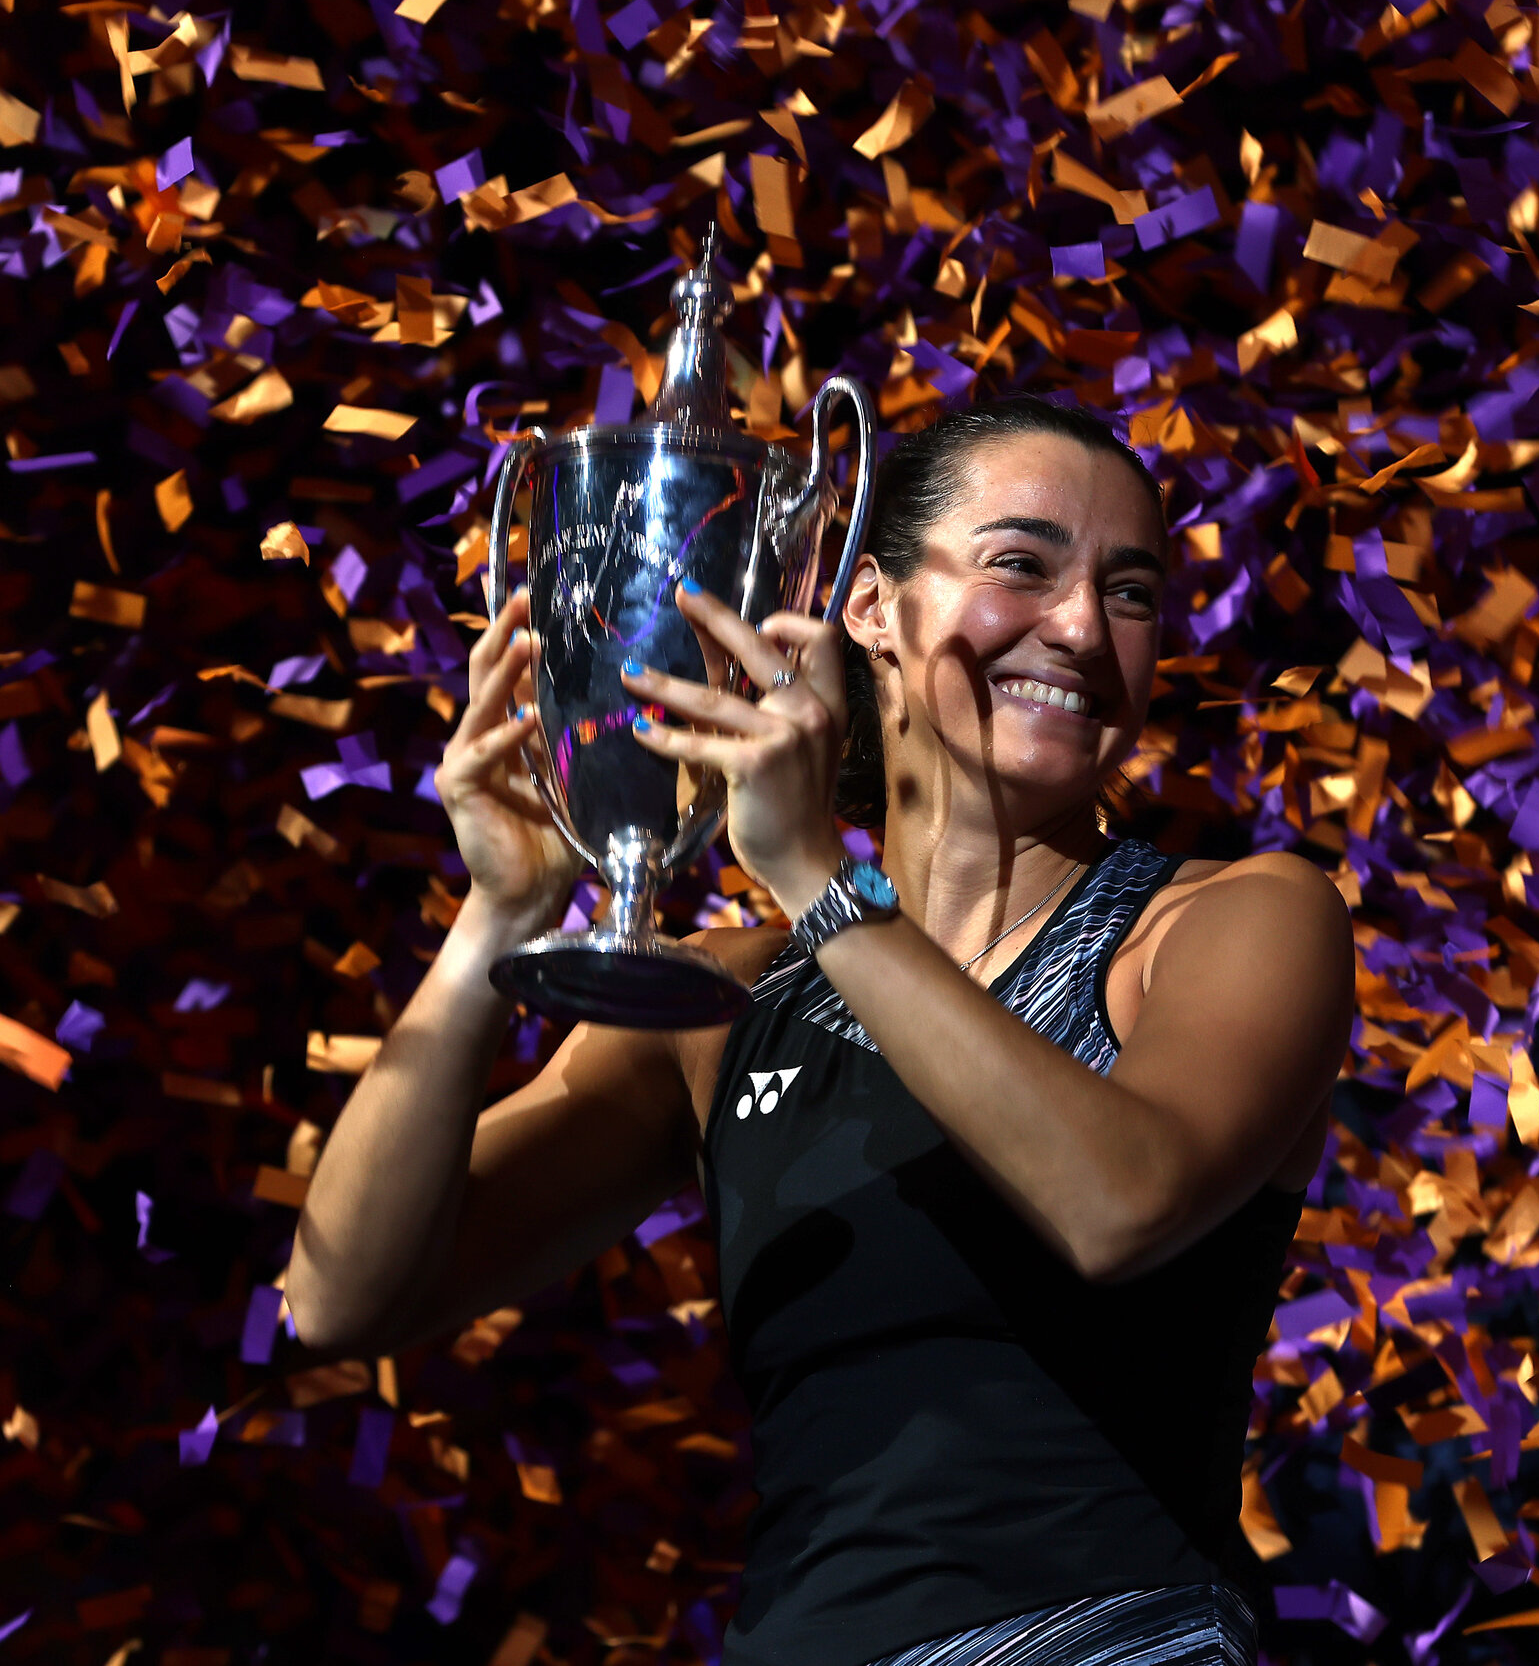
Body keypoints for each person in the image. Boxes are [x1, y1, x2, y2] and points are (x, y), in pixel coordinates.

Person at [280, 394, 1358, 1666]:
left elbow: (1118, 1201)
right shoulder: (731, 1000)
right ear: (869, 608)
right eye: (1022, 564)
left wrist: (817, 879)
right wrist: (496, 919)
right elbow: (340, 1292)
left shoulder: (1231, 922)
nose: (1079, 627)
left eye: (1131, 592)